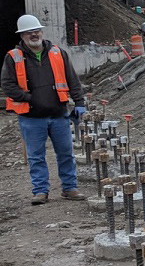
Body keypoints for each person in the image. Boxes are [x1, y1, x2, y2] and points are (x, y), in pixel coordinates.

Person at [2, 15, 88, 204]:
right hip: (31, 117)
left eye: (36, 30)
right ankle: (40, 191)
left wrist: (79, 102)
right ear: (22, 35)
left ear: (41, 32)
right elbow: (8, 85)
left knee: (66, 153)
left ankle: (69, 188)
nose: (34, 34)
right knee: (36, 157)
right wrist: (29, 98)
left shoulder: (58, 53)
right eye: (29, 32)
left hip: (59, 115)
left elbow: (72, 80)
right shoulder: (13, 57)